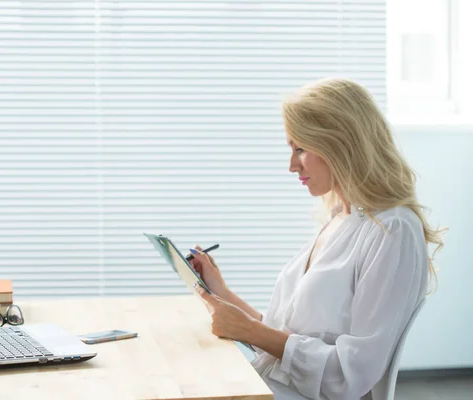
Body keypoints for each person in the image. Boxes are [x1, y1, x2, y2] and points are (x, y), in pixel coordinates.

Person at [188, 77, 446, 400]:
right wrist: (220, 290)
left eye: (300, 149)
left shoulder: (393, 231)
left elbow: (351, 374)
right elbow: (282, 336)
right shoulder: (341, 218)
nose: (291, 166)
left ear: (339, 143)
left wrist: (251, 331)